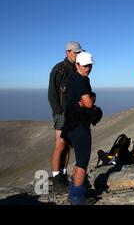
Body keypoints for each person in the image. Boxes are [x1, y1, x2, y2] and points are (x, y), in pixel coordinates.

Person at [62, 51, 101, 205]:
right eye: (85, 66)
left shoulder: (73, 78)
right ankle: (77, 198)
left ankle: (74, 192)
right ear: (77, 65)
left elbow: (85, 101)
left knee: (79, 160)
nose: (88, 68)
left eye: (90, 65)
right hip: (79, 126)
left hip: (71, 125)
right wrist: (91, 98)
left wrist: (87, 99)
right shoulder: (81, 80)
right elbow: (89, 103)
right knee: (82, 162)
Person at [47, 41, 83, 191]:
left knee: (68, 145)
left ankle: (63, 173)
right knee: (60, 144)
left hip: (74, 113)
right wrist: (58, 112)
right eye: (76, 52)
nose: (78, 55)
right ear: (67, 52)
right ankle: (56, 178)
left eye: (79, 52)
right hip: (62, 113)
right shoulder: (58, 69)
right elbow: (52, 93)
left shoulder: (77, 68)